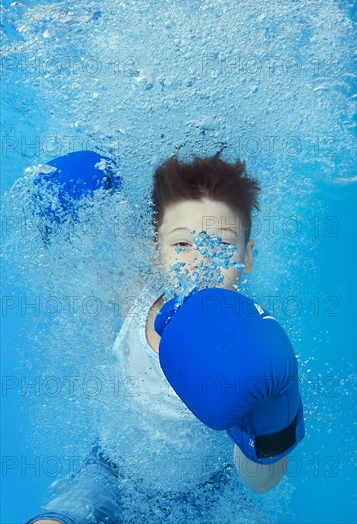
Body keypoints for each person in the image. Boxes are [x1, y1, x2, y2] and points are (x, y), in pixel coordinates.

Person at [25, 148, 304, 524]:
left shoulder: (250, 343)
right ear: (154, 251)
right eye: (181, 245)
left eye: (221, 245)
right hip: (111, 473)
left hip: (208, 489)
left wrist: (276, 421)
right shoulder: (133, 297)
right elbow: (75, 268)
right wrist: (59, 216)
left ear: (247, 256)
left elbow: (260, 482)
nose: (200, 261)